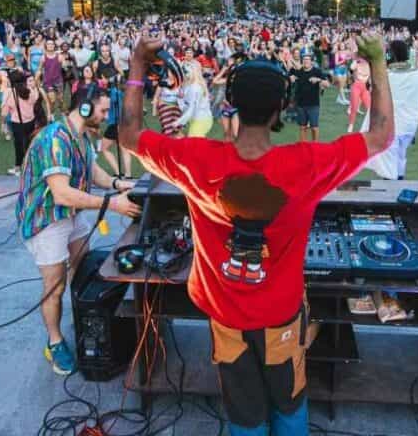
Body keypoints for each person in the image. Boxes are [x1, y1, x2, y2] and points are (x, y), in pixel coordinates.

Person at [119, 33, 392, 436]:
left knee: (245, 414)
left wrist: (138, 65)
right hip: (280, 316)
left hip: (226, 317)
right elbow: (382, 135)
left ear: (231, 103)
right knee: (289, 405)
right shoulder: (308, 164)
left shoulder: (196, 160)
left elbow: (128, 134)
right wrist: (379, 64)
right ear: (282, 107)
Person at [16, 86, 139, 376]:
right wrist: (112, 204)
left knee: (82, 270)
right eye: (104, 111)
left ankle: (83, 317)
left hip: (71, 215)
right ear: (85, 108)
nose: (107, 116)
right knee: (54, 286)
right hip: (47, 219)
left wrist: (120, 184)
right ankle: (55, 342)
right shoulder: (54, 139)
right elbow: (62, 194)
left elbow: (94, 172)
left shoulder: (82, 136)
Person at [364, 40, 418, 180]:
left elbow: (371, 88)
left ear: (391, 54)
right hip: (410, 126)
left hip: (389, 125)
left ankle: (392, 192)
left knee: (389, 165)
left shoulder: (385, 76)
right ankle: (399, 181)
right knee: (400, 156)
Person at [290, 53, 329, 141]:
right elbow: (291, 76)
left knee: (314, 128)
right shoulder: (299, 72)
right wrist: (291, 78)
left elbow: (327, 84)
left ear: (311, 62)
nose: (306, 61)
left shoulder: (317, 71)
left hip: (313, 104)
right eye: (304, 60)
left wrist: (318, 80)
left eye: (308, 60)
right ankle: (303, 146)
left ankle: (315, 145)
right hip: (301, 104)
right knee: (302, 127)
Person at [176, 61, 214, 138]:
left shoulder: (195, 87)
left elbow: (191, 109)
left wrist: (179, 122)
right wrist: (180, 99)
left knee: (195, 145)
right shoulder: (189, 86)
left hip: (201, 119)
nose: (183, 75)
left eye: (184, 72)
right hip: (198, 119)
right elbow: (186, 106)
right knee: (195, 145)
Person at [346, 54, 371, 132]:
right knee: (354, 107)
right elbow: (351, 68)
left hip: (365, 88)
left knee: (369, 108)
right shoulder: (357, 62)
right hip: (356, 86)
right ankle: (351, 125)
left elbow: (371, 77)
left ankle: (368, 126)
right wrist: (356, 60)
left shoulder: (370, 64)